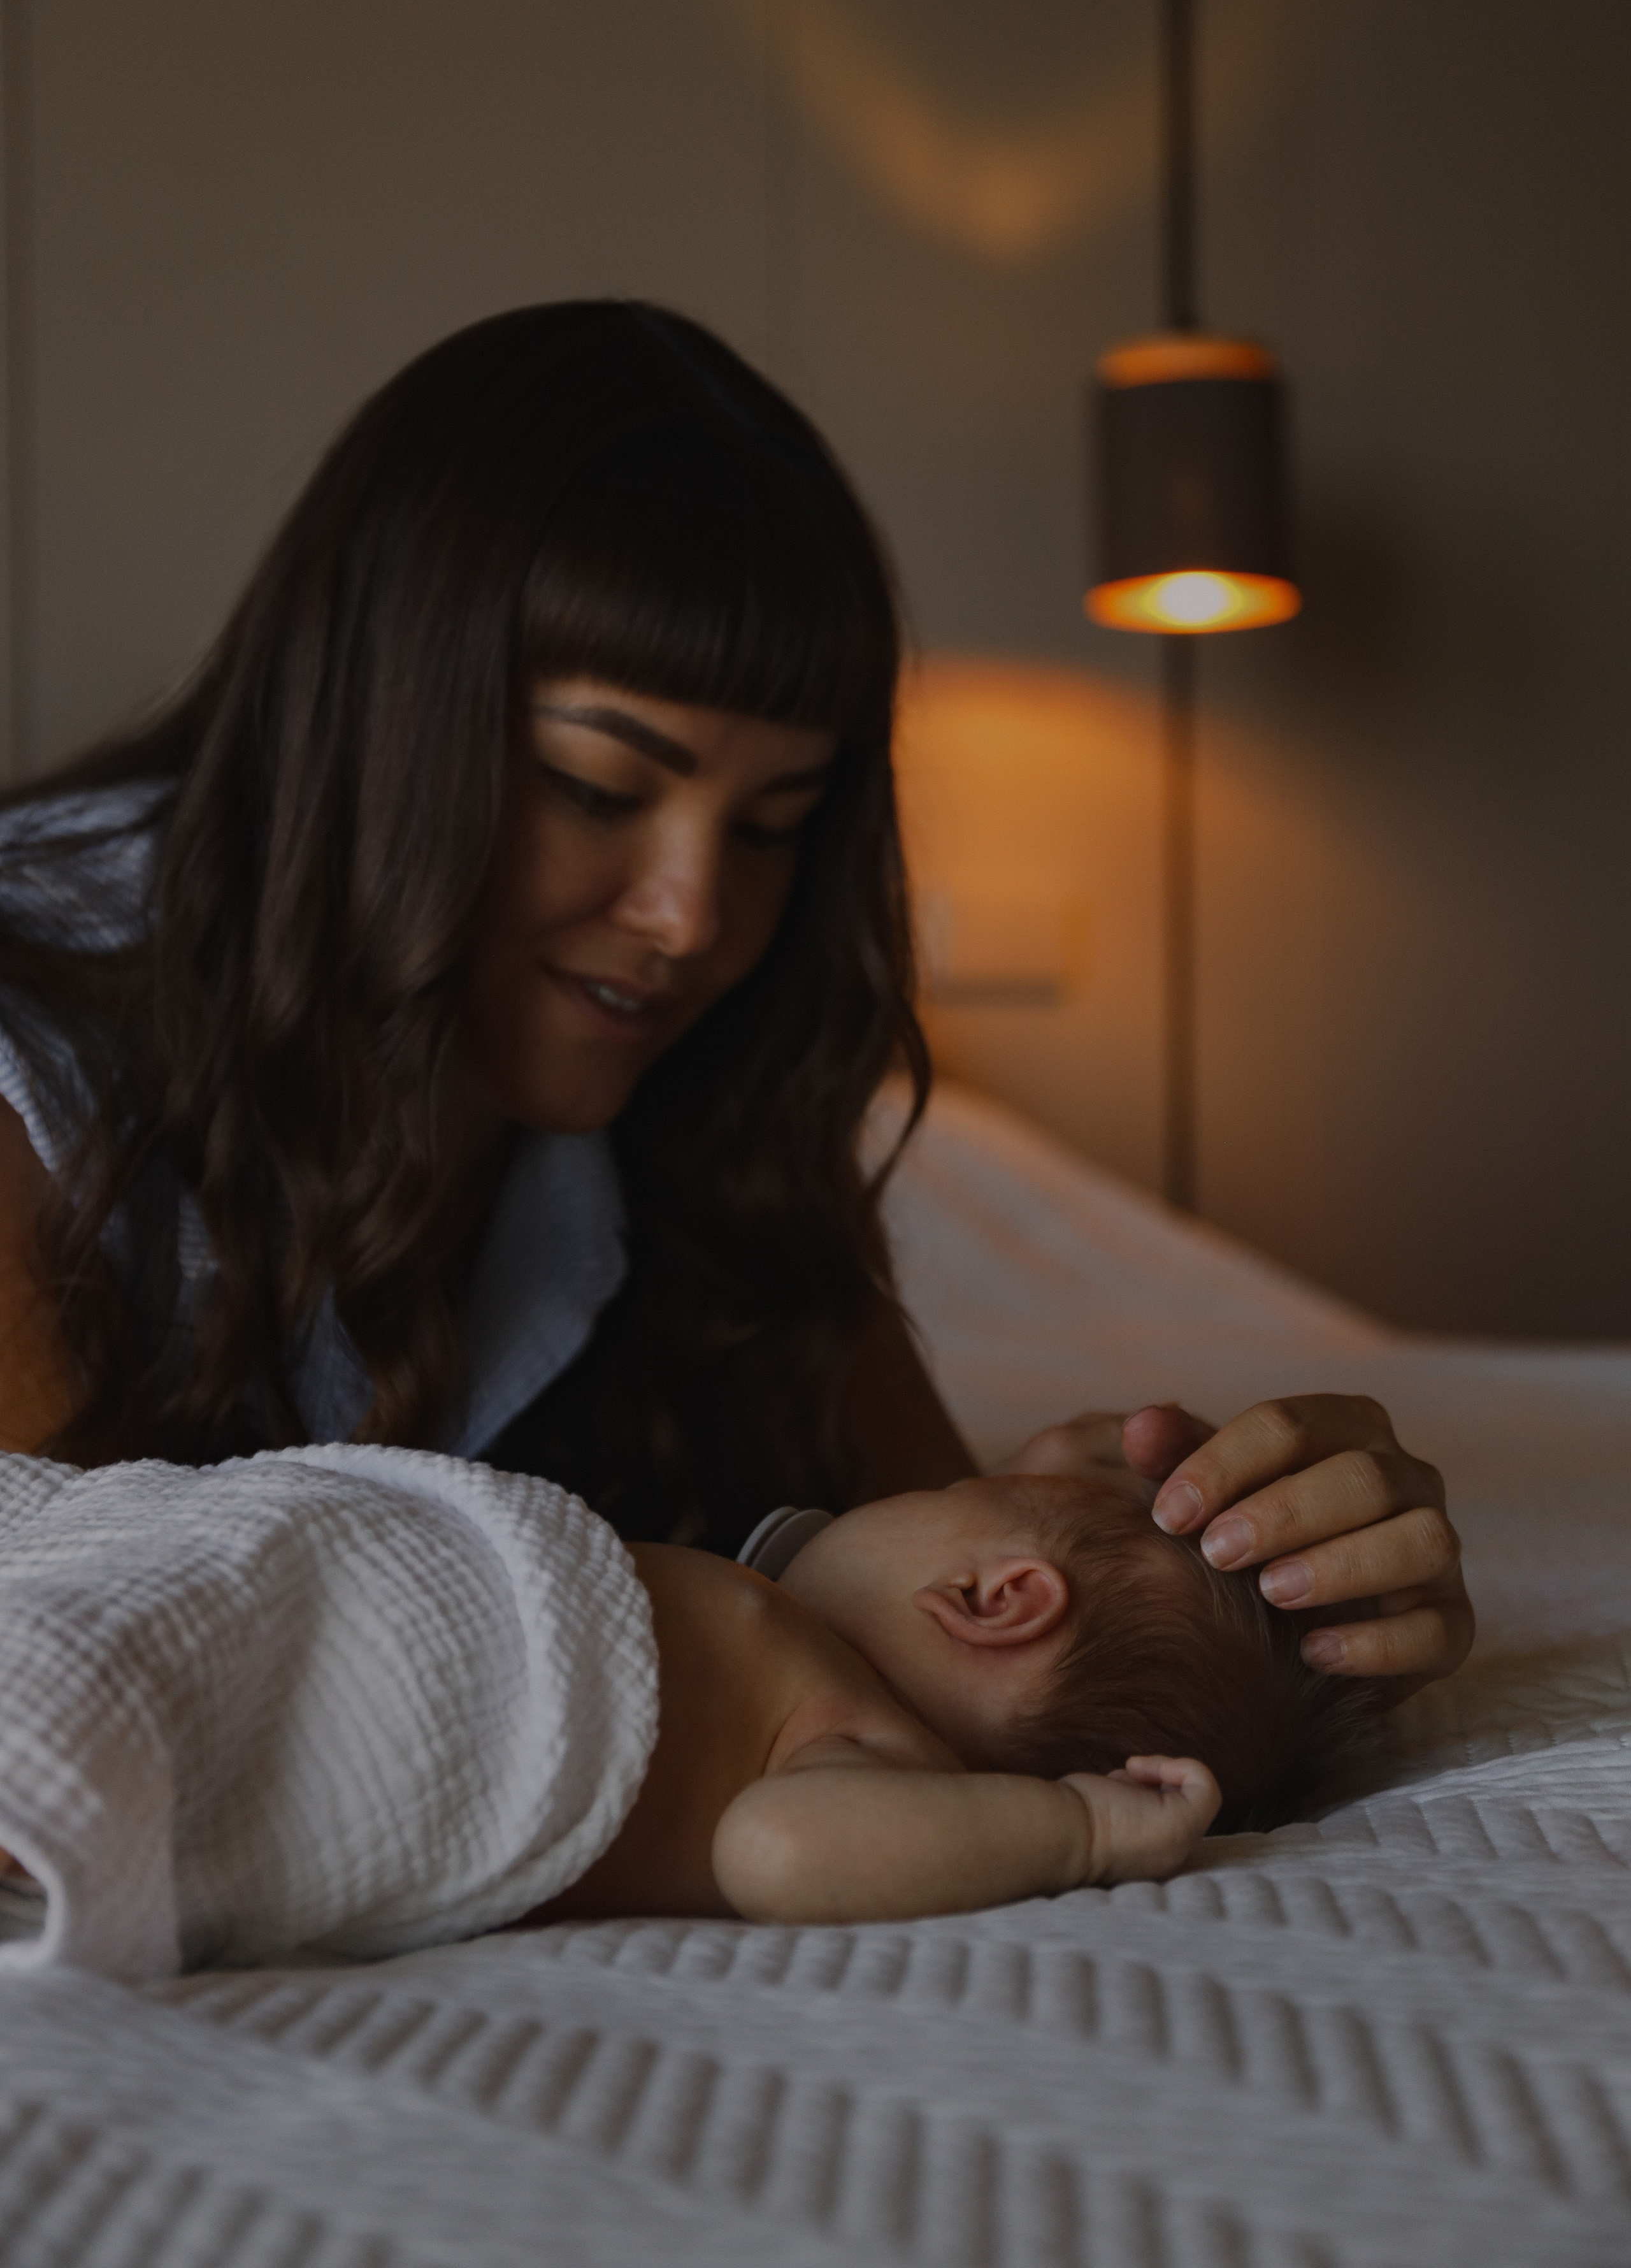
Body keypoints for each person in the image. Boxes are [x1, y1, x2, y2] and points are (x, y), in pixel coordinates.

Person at [0, 300, 1472, 1691]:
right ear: (368, 732)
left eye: (772, 824)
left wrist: (1244, 1587)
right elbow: (60, 1688)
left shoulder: (707, 1098)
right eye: (595, 786)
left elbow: (928, 1549)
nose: (693, 920)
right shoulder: (35, 1064)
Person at [542, 1468, 1379, 1928]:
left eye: (945, 1491)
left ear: (993, 1601)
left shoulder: (864, 1750)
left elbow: (772, 1852)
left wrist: (1083, 1829)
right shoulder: (807, 1662)